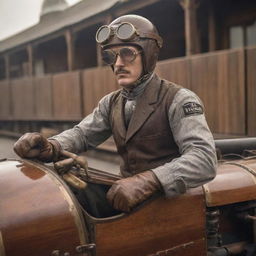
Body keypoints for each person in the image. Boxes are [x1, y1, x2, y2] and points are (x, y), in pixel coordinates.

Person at [14, 14, 217, 216]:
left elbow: (204, 159)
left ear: (148, 54)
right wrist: (52, 146)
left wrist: (150, 180)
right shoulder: (111, 103)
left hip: (173, 205)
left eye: (127, 53)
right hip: (126, 201)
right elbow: (82, 134)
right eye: (111, 56)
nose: (118, 64)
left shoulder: (179, 99)